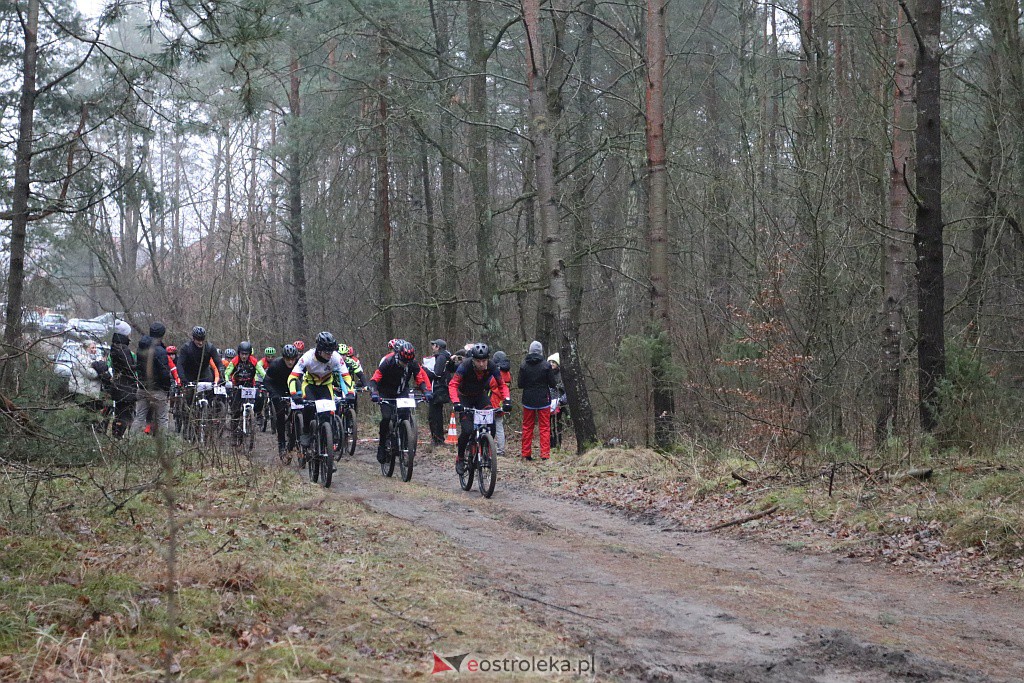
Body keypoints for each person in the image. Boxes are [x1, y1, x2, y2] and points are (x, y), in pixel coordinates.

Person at [287, 331, 353, 455]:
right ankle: (306, 432)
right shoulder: (308, 357)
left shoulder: (336, 357)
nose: (329, 355)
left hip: (326, 386)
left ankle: (327, 451)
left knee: (327, 416)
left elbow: (346, 376)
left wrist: (350, 392)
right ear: (319, 349)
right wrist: (294, 393)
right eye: (327, 352)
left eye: (331, 351)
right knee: (308, 408)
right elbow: (292, 377)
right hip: (310, 386)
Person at [448, 343, 510, 473]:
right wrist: (456, 402)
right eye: (478, 361)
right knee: (467, 430)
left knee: (491, 424)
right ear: (473, 360)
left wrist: (507, 401)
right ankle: (460, 457)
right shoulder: (465, 366)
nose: (481, 364)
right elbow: (453, 385)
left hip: (480, 396)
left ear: (488, 359)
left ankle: (485, 451)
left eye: (484, 361)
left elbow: (502, 384)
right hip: (464, 398)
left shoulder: (492, 366)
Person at [368, 341, 431, 463]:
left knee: (404, 415)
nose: (405, 365)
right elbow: (374, 380)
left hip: (402, 391)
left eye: (407, 362)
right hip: (385, 392)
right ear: (398, 356)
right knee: (386, 417)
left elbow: (419, 379)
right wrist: (374, 393)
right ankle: (381, 445)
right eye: (403, 362)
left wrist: (426, 392)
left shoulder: (412, 363)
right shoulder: (388, 362)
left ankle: (404, 446)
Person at [132, 322, 172, 436]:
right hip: (158, 390)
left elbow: (139, 367)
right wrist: (167, 388)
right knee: (162, 419)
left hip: (143, 387)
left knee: (139, 417)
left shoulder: (140, 349)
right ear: (162, 335)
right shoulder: (160, 351)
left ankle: (130, 442)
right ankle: (164, 445)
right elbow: (164, 373)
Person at [519, 341, 557, 460]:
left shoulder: (524, 365)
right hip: (543, 399)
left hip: (528, 399)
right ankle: (545, 455)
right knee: (545, 427)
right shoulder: (546, 365)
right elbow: (552, 384)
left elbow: (520, 384)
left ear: (530, 351)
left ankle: (526, 454)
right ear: (541, 351)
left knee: (527, 427)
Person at [264, 343, 301, 459]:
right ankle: (281, 443)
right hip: (277, 389)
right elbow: (267, 381)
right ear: (284, 358)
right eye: (288, 359)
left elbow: (304, 380)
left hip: (292, 388)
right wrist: (273, 394)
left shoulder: (299, 365)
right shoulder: (275, 365)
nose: (290, 362)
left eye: (293, 359)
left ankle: (295, 440)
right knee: (280, 415)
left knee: (299, 412)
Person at [107, 320, 138, 438]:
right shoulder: (122, 350)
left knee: (119, 414)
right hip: (125, 388)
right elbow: (129, 368)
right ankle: (118, 436)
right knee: (124, 415)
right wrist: (140, 366)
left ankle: (117, 436)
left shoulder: (115, 347)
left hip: (119, 386)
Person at [224, 341, 266, 427]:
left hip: (250, 385)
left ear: (249, 354)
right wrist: (227, 381)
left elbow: (262, 372)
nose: (244, 356)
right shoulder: (235, 360)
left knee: (260, 397)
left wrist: (268, 381)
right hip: (237, 386)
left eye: (246, 354)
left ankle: (257, 414)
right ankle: (234, 424)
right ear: (239, 353)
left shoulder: (253, 361)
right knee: (235, 408)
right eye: (242, 354)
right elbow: (227, 373)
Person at [426, 339, 452, 446]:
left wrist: (424, 370)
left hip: (438, 390)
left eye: (434, 345)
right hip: (440, 389)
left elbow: (436, 374)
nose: (432, 348)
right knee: (436, 415)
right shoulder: (445, 357)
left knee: (434, 415)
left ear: (438, 347)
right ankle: (438, 438)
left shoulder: (441, 357)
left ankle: (438, 439)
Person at [490, 350, 513, 456]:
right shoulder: (508, 373)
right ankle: (501, 449)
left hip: (493, 402)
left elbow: (490, 385)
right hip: (503, 402)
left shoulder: (496, 373)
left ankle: (490, 448)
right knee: (499, 426)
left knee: (490, 426)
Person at [547, 352, 567, 450]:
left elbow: (566, 392)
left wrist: (561, 401)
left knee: (557, 424)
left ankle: (558, 444)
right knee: (548, 425)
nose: (551, 364)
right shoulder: (546, 374)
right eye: (550, 362)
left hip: (558, 405)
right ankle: (551, 444)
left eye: (553, 362)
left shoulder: (561, 376)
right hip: (547, 404)